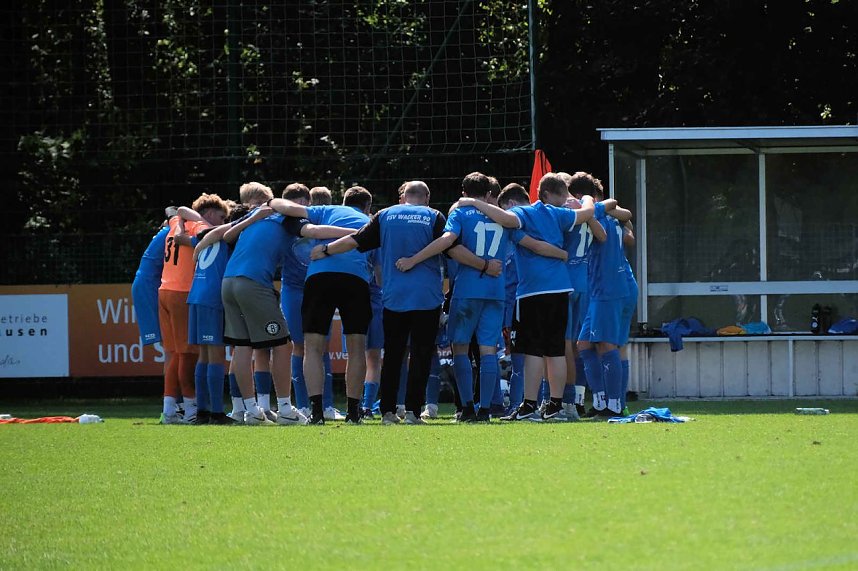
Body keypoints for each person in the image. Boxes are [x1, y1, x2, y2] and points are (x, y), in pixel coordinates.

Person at [397, 172, 569, 422]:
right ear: (489, 194)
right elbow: (531, 242)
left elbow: (447, 241)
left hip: (468, 288)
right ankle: (486, 410)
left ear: (464, 192)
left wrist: (414, 259)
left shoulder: (460, 212)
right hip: (495, 292)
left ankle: (467, 408)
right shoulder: (502, 217)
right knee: (489, 351)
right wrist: (561, 254)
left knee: (461, 349)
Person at [455, 173, 596, 421]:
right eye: (563, 195)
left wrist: (476, 203)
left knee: (532, 350)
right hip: (561, 288)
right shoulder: (558, 214)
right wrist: (586, 198)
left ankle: (529, 405)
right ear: (554, 195)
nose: (565, 200)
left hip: (532, 291)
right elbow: (586, 214)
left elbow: (511, 223)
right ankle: (555, 405)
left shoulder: (524, 213)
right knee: (555, 350)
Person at [309, 181, 450, 425]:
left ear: (402, 197)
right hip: (427, 297)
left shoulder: (385, 215)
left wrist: (326, 249)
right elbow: (450, 243)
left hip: (394, 297)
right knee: (421, 354)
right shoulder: (434, 216)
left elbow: (355, 240)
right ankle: (415, 413)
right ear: (427, 197)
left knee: (393, 355)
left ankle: (387, 412)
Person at [269, 186, 373, 424]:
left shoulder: (326, 210)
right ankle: (354, 413)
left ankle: (316, 412)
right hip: (355, 279)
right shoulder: (370, 222)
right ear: (367, 207)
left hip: (319, 277)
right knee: (357, 348)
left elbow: (281, 205)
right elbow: (378, 268)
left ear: (343, 201)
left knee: (312, 347)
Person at [158, 193, 227, 424]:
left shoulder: (177, 223)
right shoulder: (199, 225)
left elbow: (173, 210)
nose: (221, 221)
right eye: (220, 216)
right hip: (182, 292)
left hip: (165, 290)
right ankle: (190, 409)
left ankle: (169, 408)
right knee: (187, 354)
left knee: (176, 353)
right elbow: (204, 232)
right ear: (207, 214)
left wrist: (179, 215)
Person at [572, 173, 634, 418]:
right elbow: (629, 229)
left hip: (608, 288)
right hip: (611, 286)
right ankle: (601, 402)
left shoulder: (594, 212)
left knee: (609, 345)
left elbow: (609, 234)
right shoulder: (610, 213)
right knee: (585, 344)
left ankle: (614, 405)